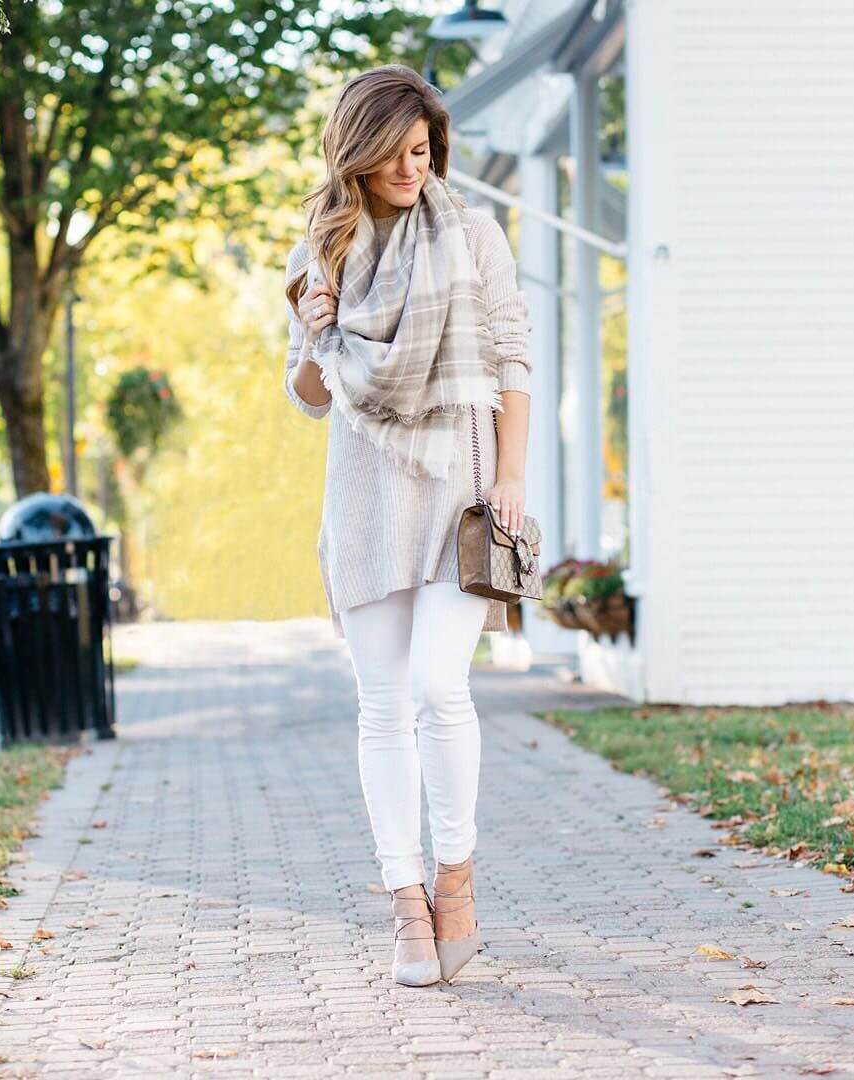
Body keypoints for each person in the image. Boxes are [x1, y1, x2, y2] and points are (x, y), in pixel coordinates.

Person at [283, 64, 532, 986]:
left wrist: (510, 476)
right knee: (382, 706)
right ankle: (407, 905)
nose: (410, 171)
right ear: (358, 155)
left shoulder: (473, 235)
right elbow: (308, 398)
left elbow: (511, 355)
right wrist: (314, 331)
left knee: (439, 687)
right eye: (392, 155)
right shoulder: (322, 248)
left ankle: (456, 882)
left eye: (422, 153)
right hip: (364, 499)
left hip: (459, 493)